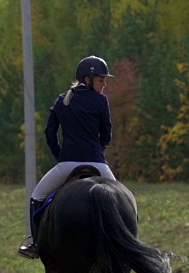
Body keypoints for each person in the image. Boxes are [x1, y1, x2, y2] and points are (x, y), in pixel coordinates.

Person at [18, 55, 117, 259]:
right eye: (101, 79)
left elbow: (49, 132)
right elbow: (107, 133)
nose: (105, 84)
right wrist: (98, 150)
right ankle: (126, 246)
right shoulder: (101, 101)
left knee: (36, 197)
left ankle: (35, 243)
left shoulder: (63, 100)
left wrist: (60, 155)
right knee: (123, 199)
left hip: (67, 164)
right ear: (87, 79)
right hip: (98, 164)